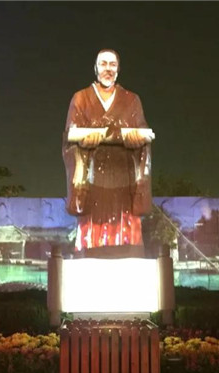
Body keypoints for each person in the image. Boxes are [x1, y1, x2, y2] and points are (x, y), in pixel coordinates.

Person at [62, 49, 154, 258]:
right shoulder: (81, 98)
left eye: (113, 65)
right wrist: (83, 142)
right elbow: (70, 136)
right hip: (91, 180)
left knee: (127, 236)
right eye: (103, 64)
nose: (108, 69)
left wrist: (136, 141)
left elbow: (143, 133)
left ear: (118, 70)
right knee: (92, 238)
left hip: (124, 179)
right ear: (95, 68)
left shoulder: (131, 100)